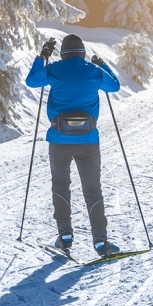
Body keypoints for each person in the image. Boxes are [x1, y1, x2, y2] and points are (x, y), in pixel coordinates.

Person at [25, 34, 123, 257]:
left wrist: (42, 56)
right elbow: (115, 86)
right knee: (93, 190)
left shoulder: (56, 69)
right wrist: (102, 64)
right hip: (88, 141)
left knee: (60, 186)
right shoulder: (93, 71)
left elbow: (31, 81)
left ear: (63, 54)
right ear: (82, 53)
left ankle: (65, 237)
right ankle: (100, 242)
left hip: (58, 141)